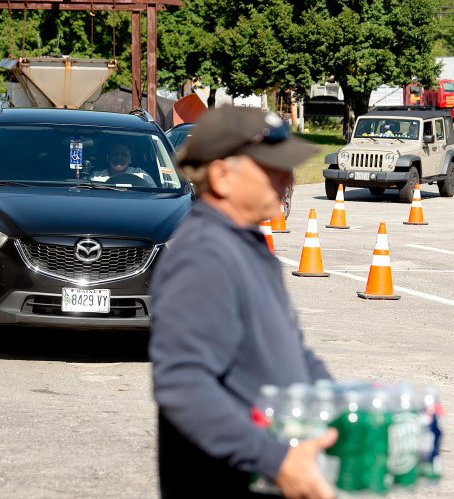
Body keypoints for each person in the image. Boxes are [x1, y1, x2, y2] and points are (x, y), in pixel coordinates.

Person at [149, 106, 338, 499]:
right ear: (221, 176)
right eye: (271, 167)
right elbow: (183, 384)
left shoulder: (246, 243)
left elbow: (291, 350)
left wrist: (340, 407)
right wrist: (274, 460)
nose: (287, 179)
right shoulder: (203, 254)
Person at [90, 141, 156, 186]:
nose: (119, 157)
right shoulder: (96, 177)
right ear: (108, 157)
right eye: (115, 154)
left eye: (124, 154)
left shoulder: (142, 175)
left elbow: (153, 194)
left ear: (130, 158)